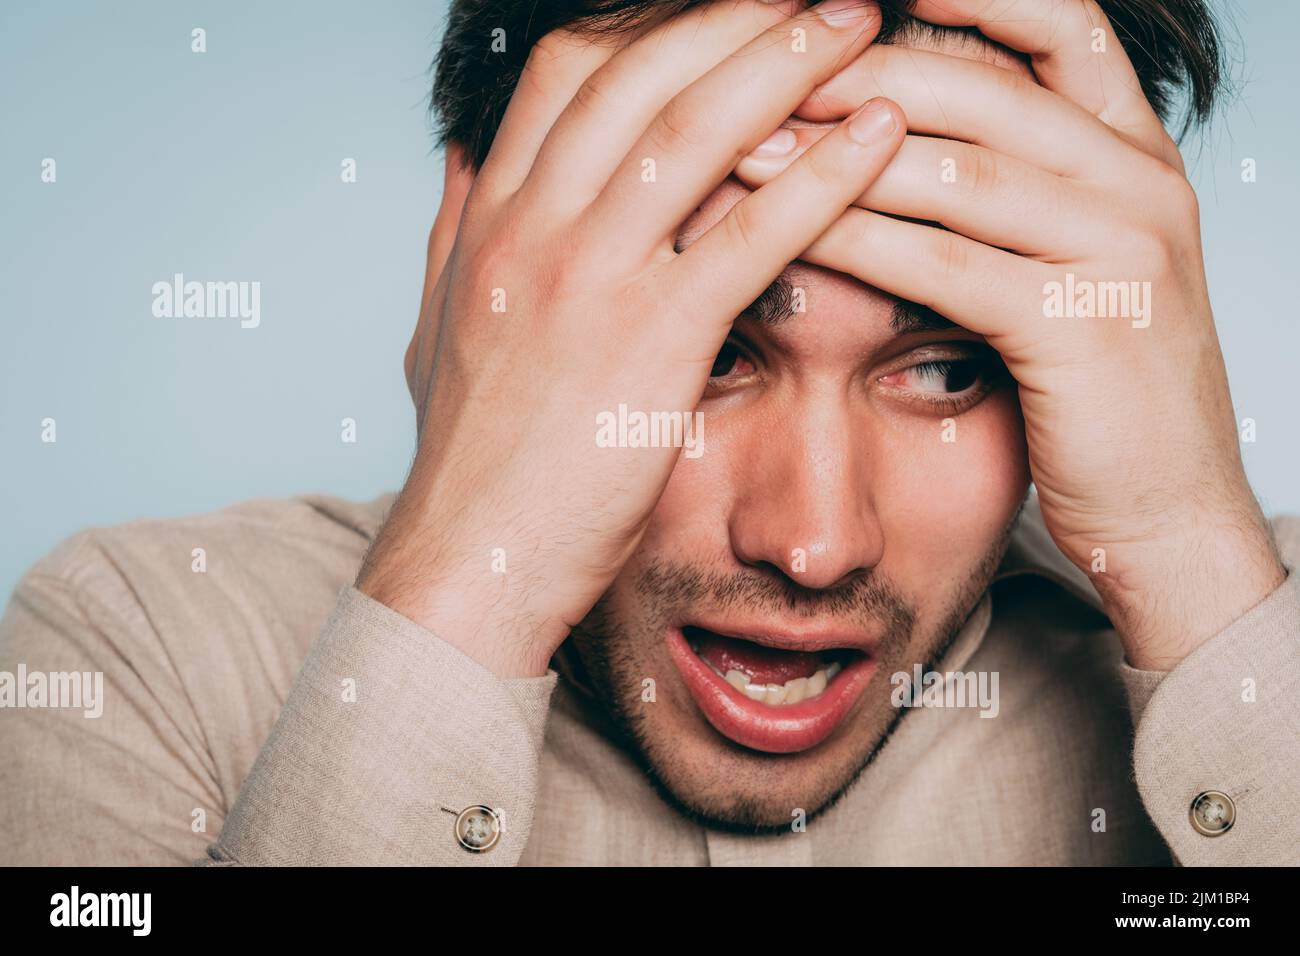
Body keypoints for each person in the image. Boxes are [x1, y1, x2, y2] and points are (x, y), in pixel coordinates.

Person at [1, 0, 1295, 866]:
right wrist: (466, 573)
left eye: (947, 367)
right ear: (472, 267)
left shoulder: (1261, 648)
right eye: (714, 349)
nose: (814, 543)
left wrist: (1185, 552)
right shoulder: (143, 657)